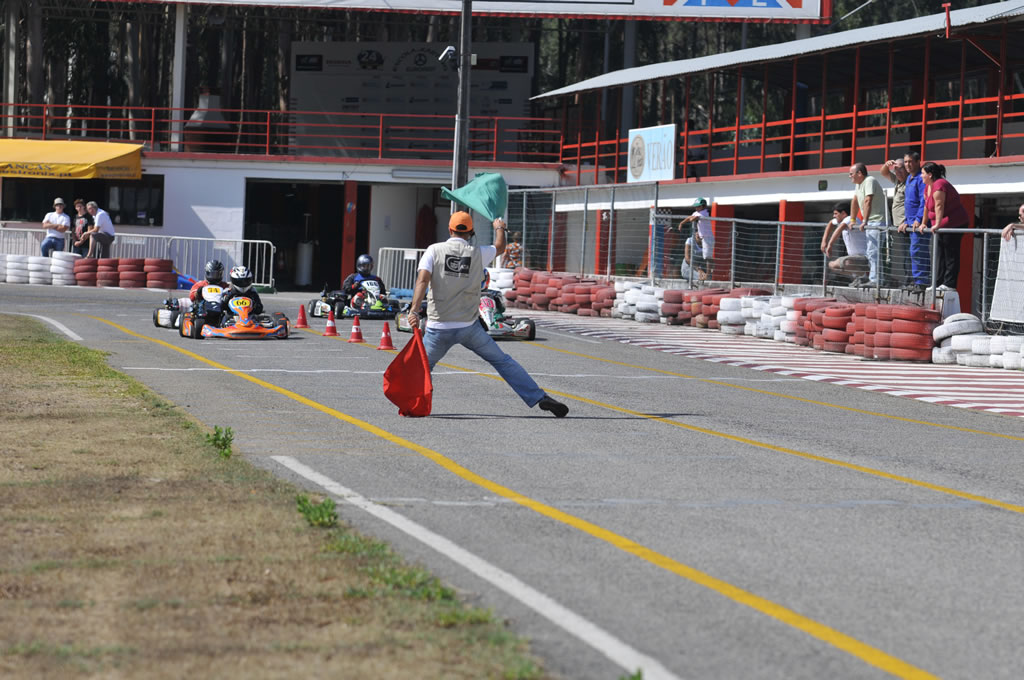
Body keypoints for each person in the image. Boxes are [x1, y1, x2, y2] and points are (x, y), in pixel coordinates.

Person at [407, 211, 568, 418]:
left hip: (439, 327)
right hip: (468, 327)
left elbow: (422, 281)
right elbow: (500, 247)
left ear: (449, 229)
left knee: (423, 368)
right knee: (503, 361)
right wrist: (499, 227)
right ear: (471, 232)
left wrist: (414, 311)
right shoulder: (478, 253)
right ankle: (539, 397)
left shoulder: (433, 250)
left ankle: (414, 404)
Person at [918, 161, 968, 290]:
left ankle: (949, 283)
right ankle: (937, 283)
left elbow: (939, 205)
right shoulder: (927, 187)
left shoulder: (939, 184)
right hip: (940, 226)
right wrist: (924, 223)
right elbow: (926, 207)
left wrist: (938, 224)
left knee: (950, 253)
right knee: (939, 254)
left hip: (953, 224)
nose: (921, 176)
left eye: (922, 173)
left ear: (929, 174)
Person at [849, 163, 885, 286]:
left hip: (877, 220)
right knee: (871, 252)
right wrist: (853, 219)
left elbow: (867, 200)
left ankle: (876, 280)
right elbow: (855, 201)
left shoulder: (869, 180)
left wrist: (864, 220)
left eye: (851, 174)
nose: (850, 176)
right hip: (870, 221)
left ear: (859, 173)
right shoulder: (858, 185)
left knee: (874, 251)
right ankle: (874, 278)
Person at [900, 151, 930, 290]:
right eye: (906, 162)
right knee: (912, 253)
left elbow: (924, 201)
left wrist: (919, 219)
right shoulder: (908, 179)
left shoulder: (920, 179)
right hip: (910, 222)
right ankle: (916, 281)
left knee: (918, 251)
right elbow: (909, 203)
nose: (908, 165)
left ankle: (921, 282)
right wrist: (906, 220)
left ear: (918, 162)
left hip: (918, 223)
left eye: (910, 161)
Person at [820, 202, 869, 283]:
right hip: (854, 258)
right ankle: (859, 277)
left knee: (846, 262)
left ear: (843, 213)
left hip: (864, 257)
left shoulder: (850, 218)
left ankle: (862, 277)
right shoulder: (842, 220)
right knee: (831, 265)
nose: (834, 216)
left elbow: (840, 228)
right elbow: (830, 223)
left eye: (836, 214)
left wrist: (830, 245)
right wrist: (824, 241)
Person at [880, 158, 910, 287]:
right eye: (895, 169)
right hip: (900, 226)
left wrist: (908, 221)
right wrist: (887, 166)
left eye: (900, 168)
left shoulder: (910, 182)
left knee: (909, 255)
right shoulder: (899, 181)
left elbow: (913, 204)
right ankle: (908, 280)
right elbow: (883, 173)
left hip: (906, 226)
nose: (897, 171)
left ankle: (911, 281)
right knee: (905, 255)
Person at [674, 198, 714, 279]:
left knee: (707, 257)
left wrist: (692, 218)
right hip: (703, 238)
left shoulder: (704, 213)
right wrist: (682, 223)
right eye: (696, 207)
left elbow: (692, 219)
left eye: (698, 206)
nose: (696, 208)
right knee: (706, 257)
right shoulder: (698, 213)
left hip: (707, 237)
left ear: (703, 206)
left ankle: (708, 274)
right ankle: (705, 275)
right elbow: (690, 217)